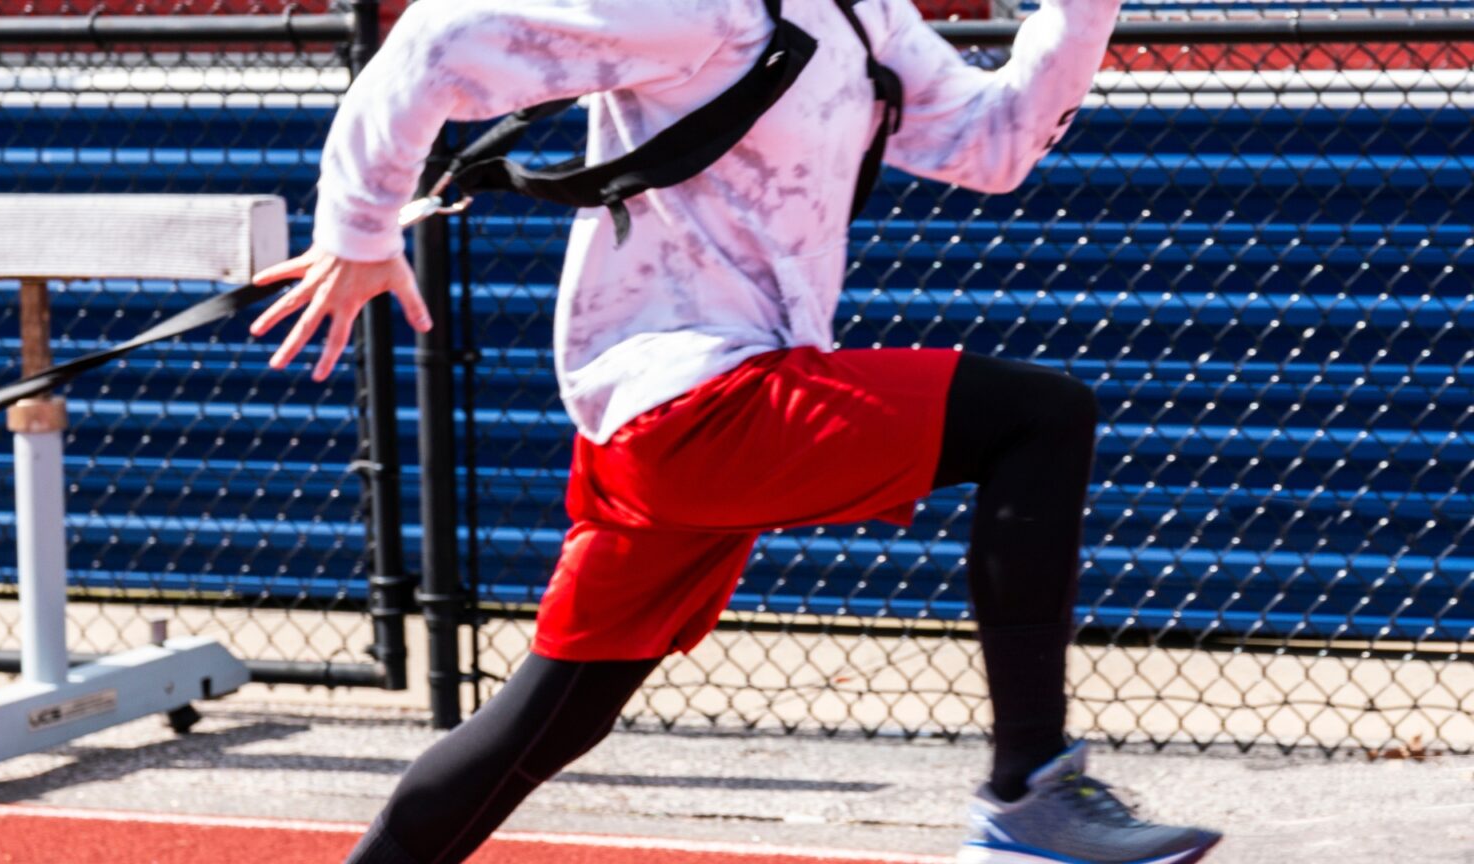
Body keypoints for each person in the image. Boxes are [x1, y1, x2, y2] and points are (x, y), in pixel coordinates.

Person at [250, 0, 1223, 861]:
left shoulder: (862, 16)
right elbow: (437, 37)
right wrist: (358, 231)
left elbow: (995, 146)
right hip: (689, 402)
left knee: (549, 721)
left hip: (697, 409)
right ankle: (1031, 792)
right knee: (1040, 419)